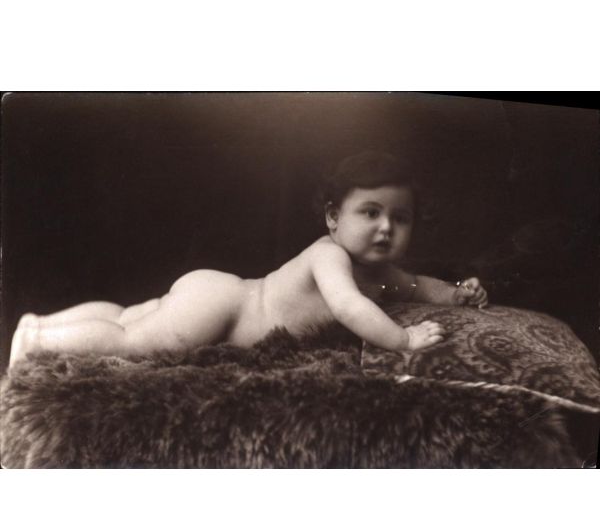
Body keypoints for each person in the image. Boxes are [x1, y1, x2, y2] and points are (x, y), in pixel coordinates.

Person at [9, 151, 488, 368]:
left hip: (216, 292)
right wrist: (403, 339)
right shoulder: (329, 257)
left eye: (400, 218)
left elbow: (416, 286)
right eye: (370, 212)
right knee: (131, 342)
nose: (386, 228)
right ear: (333, 218)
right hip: (221, 309)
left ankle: (41, 322)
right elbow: (348, 307)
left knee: (127, 316)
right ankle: (36, 341)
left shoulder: (381, 272)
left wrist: (457, 296)